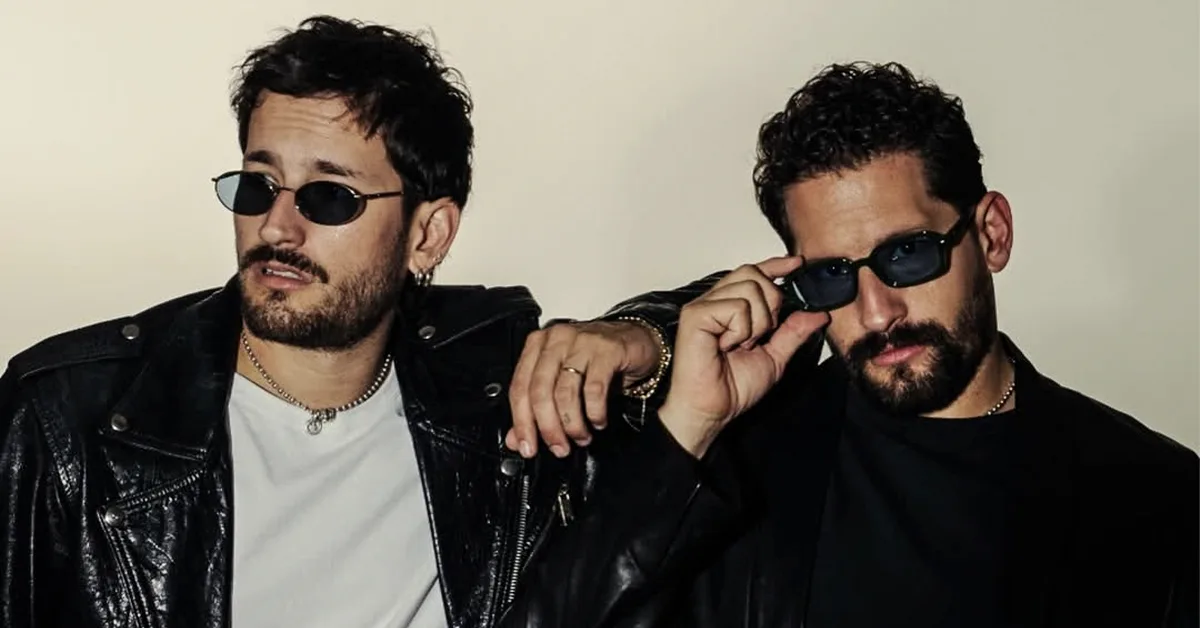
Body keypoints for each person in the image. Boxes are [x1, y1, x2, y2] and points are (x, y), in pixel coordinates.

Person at [0, 15, 708, 628]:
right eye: (259, 185)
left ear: (427, 235)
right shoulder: (69, 421)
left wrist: (642, 338)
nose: (276, 226)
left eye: (330, 197)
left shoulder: (496, 402)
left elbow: (741, 315)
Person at [503, 62, 1199, 627]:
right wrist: (686, 429)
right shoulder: (737, 461)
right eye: (833, 274)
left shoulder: (1152, 493)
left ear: (991, 234)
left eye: (907, 255)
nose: (877, 311)